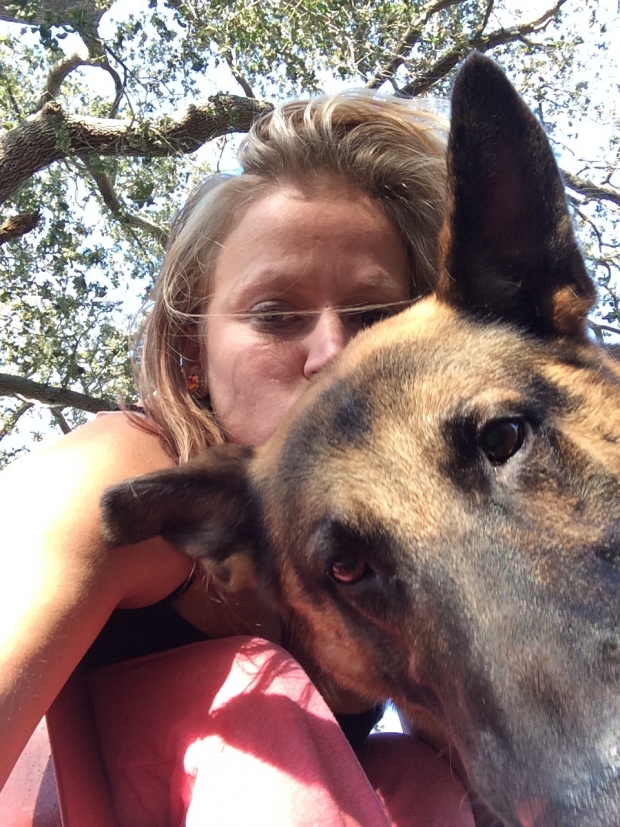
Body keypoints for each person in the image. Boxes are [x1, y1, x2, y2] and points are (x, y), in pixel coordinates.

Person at [0, 91, 474, 826]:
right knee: (264, 702)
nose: (334, 354)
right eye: (275, 315)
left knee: (419, 784)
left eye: (375, 317)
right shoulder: (118, 475)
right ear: (193, 353)